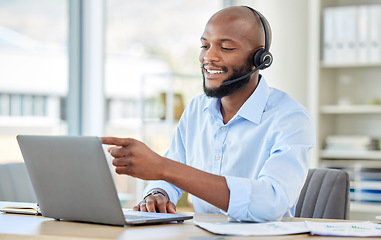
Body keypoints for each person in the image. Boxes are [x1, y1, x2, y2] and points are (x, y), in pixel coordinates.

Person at [102, 5, 315, 222]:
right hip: (202, 234)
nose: (208, 57)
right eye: (205, 45)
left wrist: (163, 168)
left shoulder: (290, 118)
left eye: (226, 48)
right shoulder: (196, 109)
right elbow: (172, 169)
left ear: (260, 58)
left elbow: (271, 202)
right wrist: (158, 193)